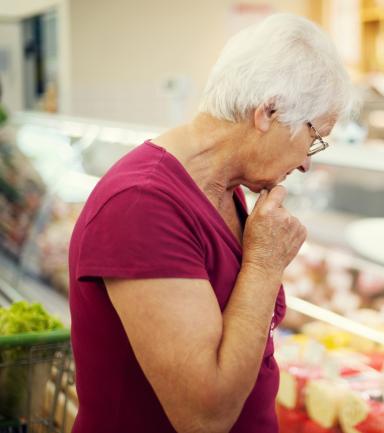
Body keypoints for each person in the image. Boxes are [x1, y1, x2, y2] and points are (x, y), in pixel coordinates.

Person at [68, 13, 354, 433]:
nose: (307, 162)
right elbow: (205, 416)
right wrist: (264, 264)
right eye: (314, 137)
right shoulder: (141, 204)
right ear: (268, 111)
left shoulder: (227, 188)